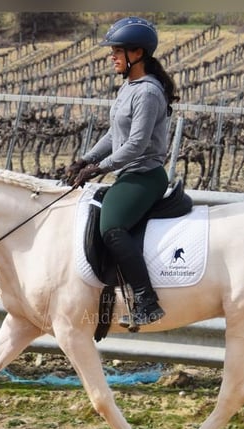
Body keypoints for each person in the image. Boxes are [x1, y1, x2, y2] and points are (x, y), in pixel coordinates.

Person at [66, 16, 180, 327]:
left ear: (137, 54)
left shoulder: (147, 92)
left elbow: (136, 145)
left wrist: (98, 169)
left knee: (112, 227)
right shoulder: (130, 87)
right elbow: (114, 134)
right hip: (129, 175)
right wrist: (85, 159)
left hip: (144, 175)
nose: (112, 57)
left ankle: (146, 299)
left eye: (118, 51)